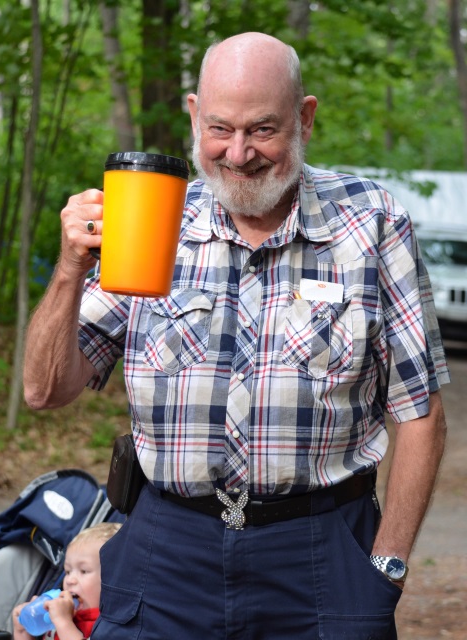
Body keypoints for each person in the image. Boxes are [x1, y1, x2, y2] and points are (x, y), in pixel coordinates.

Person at [23, 32, 449, 640]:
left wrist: (385, 568)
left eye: (264, 130)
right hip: (166, 548)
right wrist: (69, 269)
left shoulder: (372, 223)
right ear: (195, 115)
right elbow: (45, 390)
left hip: (322, 551)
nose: (239, 153)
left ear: (306, 119)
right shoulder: (153, 222)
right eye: (220, 128)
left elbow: (421, 412)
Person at [12, 523, 121, 640]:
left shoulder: (109, 626)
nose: (69, 580)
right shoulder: (58, 613)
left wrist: (63, 623)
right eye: (68, 571)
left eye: (83, 571)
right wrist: (22, 632)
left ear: (114, 581)